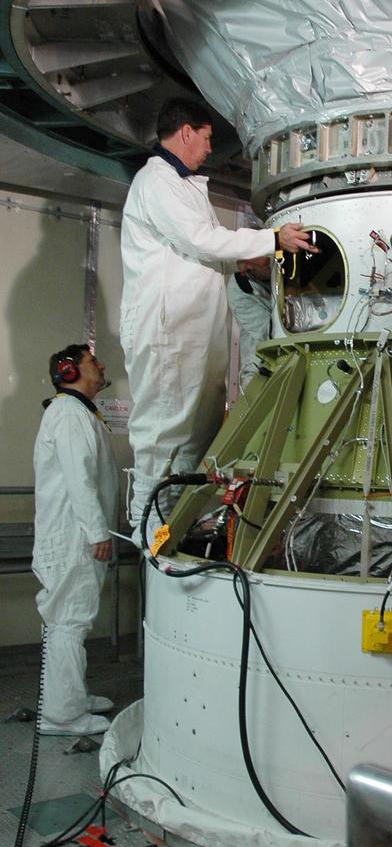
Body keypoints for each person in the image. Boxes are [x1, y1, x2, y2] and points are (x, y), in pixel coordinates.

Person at [120, 97, 312, 545]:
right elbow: (201, 239)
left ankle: (175, 529)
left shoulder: (186, 188)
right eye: (206, 139)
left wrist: (250, 263)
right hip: (169, 331)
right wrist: (271, 239)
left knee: (195, 442)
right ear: (185, 132)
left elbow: (210, 250)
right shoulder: (157, 180)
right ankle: (148, 533)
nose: (209, 149)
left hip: (196, 334)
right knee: (162, 440)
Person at [33, 345, 119, 735]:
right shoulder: (68, 414)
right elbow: (78, 477)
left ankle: (68, 697)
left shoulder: (78, 413)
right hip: (74, 538)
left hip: (73, 536)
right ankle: (62, 716)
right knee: (70, 621)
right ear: (68, 371)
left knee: (69, 622)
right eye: (92, 362)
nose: (101, 366)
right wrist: (97, 532)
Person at [227, 257, 273, 390]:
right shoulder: (239, 288)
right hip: (259, 366)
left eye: (248, 260)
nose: (247, 268)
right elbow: (269, 334)